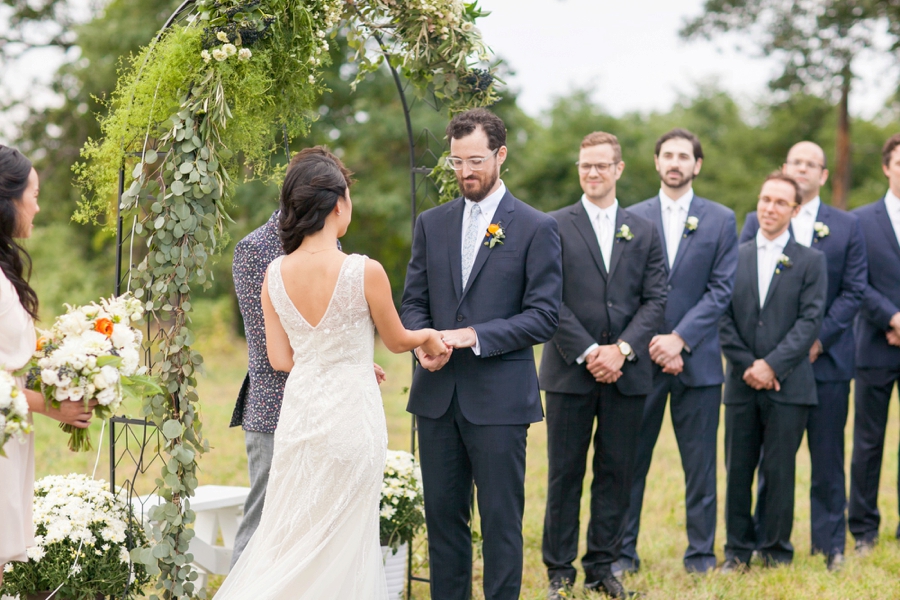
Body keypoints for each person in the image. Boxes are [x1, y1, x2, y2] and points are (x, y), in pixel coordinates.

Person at [214, 151, 447, 599]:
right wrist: (428, 336)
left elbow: (280, 358)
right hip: (350, 418)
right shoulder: (364, 269)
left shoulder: (274, 273)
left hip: (300, 421)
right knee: (345, 536)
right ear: (338, 204)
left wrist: (331, 357)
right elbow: (398, 340)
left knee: (290, 534)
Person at [400, 108, 562, 600]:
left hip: (499, 401)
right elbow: (413, 302)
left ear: (500, 155)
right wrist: (421, 340)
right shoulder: (432, 223)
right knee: (443, 520)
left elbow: (543, 316)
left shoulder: (536, 227)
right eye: (455, 162)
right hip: (437, 397)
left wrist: (473, 335)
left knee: (500, 522)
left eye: (475, 160)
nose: (465, 172)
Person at [228, 146, 385, 566]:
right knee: (267, 528)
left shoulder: (323, 244)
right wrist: (338, 361)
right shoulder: (257, 249)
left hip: (335, 407)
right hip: (279, 409)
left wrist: (345, 357)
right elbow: (267, 346)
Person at [539, 131, 667, 598]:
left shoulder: (645, 229)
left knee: (617, 472)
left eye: (600, 165)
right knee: (564, 473)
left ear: (618, 169)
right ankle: (559, 571)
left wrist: (623, 350)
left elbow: (656, 299)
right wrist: (592, 351)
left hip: (628, 373)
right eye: (584, 166)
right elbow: (547, 298)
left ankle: (602, 567)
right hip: (571, 372)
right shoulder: (552, 225)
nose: (591, 173)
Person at [741, 142, 867, 570]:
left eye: (812, 164)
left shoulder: (847, 226)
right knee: (769, 458)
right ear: (785, 167)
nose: (803, 168)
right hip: (770, 368)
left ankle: (830, 544)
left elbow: (853, 291)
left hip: (826, 360)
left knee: (828, 456)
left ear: (824, 175)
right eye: (796, 162)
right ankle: (764, 540)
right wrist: (772, 357)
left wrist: (817, 339)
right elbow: (743, 292)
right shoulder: (753, 222)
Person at [618, 128, 738, 576]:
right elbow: (628, 291)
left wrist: (680, 339)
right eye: (667, 154)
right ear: (655, 162)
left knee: (701, 467)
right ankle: (623, 553)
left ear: (697, 165)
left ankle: (701, 557)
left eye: (683, 156)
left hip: (699, 362)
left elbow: (721, 290)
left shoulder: (721, 219)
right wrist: (654, 342)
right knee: (630, 463)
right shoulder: (632, 216)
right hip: (642, 361)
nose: (675, 162)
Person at [719, 172, 826, 571]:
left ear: (795, 211)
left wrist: (773, 365)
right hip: (741, 383)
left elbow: (810, 322)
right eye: (765, 199)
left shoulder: (812, 261)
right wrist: (750, 366)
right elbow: (723, 318)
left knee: (780, 470)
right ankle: (736, 551)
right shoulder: (736, 254)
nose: (769, 208)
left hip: (790, 384)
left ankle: (775, 550)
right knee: (738, 469)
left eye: (780, 202)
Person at [0, 146, 97, 584]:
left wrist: (68, 358)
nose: (38, 205)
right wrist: (49, 404)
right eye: (33, 194)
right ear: (9, 198)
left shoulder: (5, 272)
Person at [849, 133, 900, 554]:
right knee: (868, 440)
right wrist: (893, 317)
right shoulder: (861, 220)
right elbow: (856, 283)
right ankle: (863, 529)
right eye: (899, 162)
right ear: (886, 167)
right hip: (874, 343)